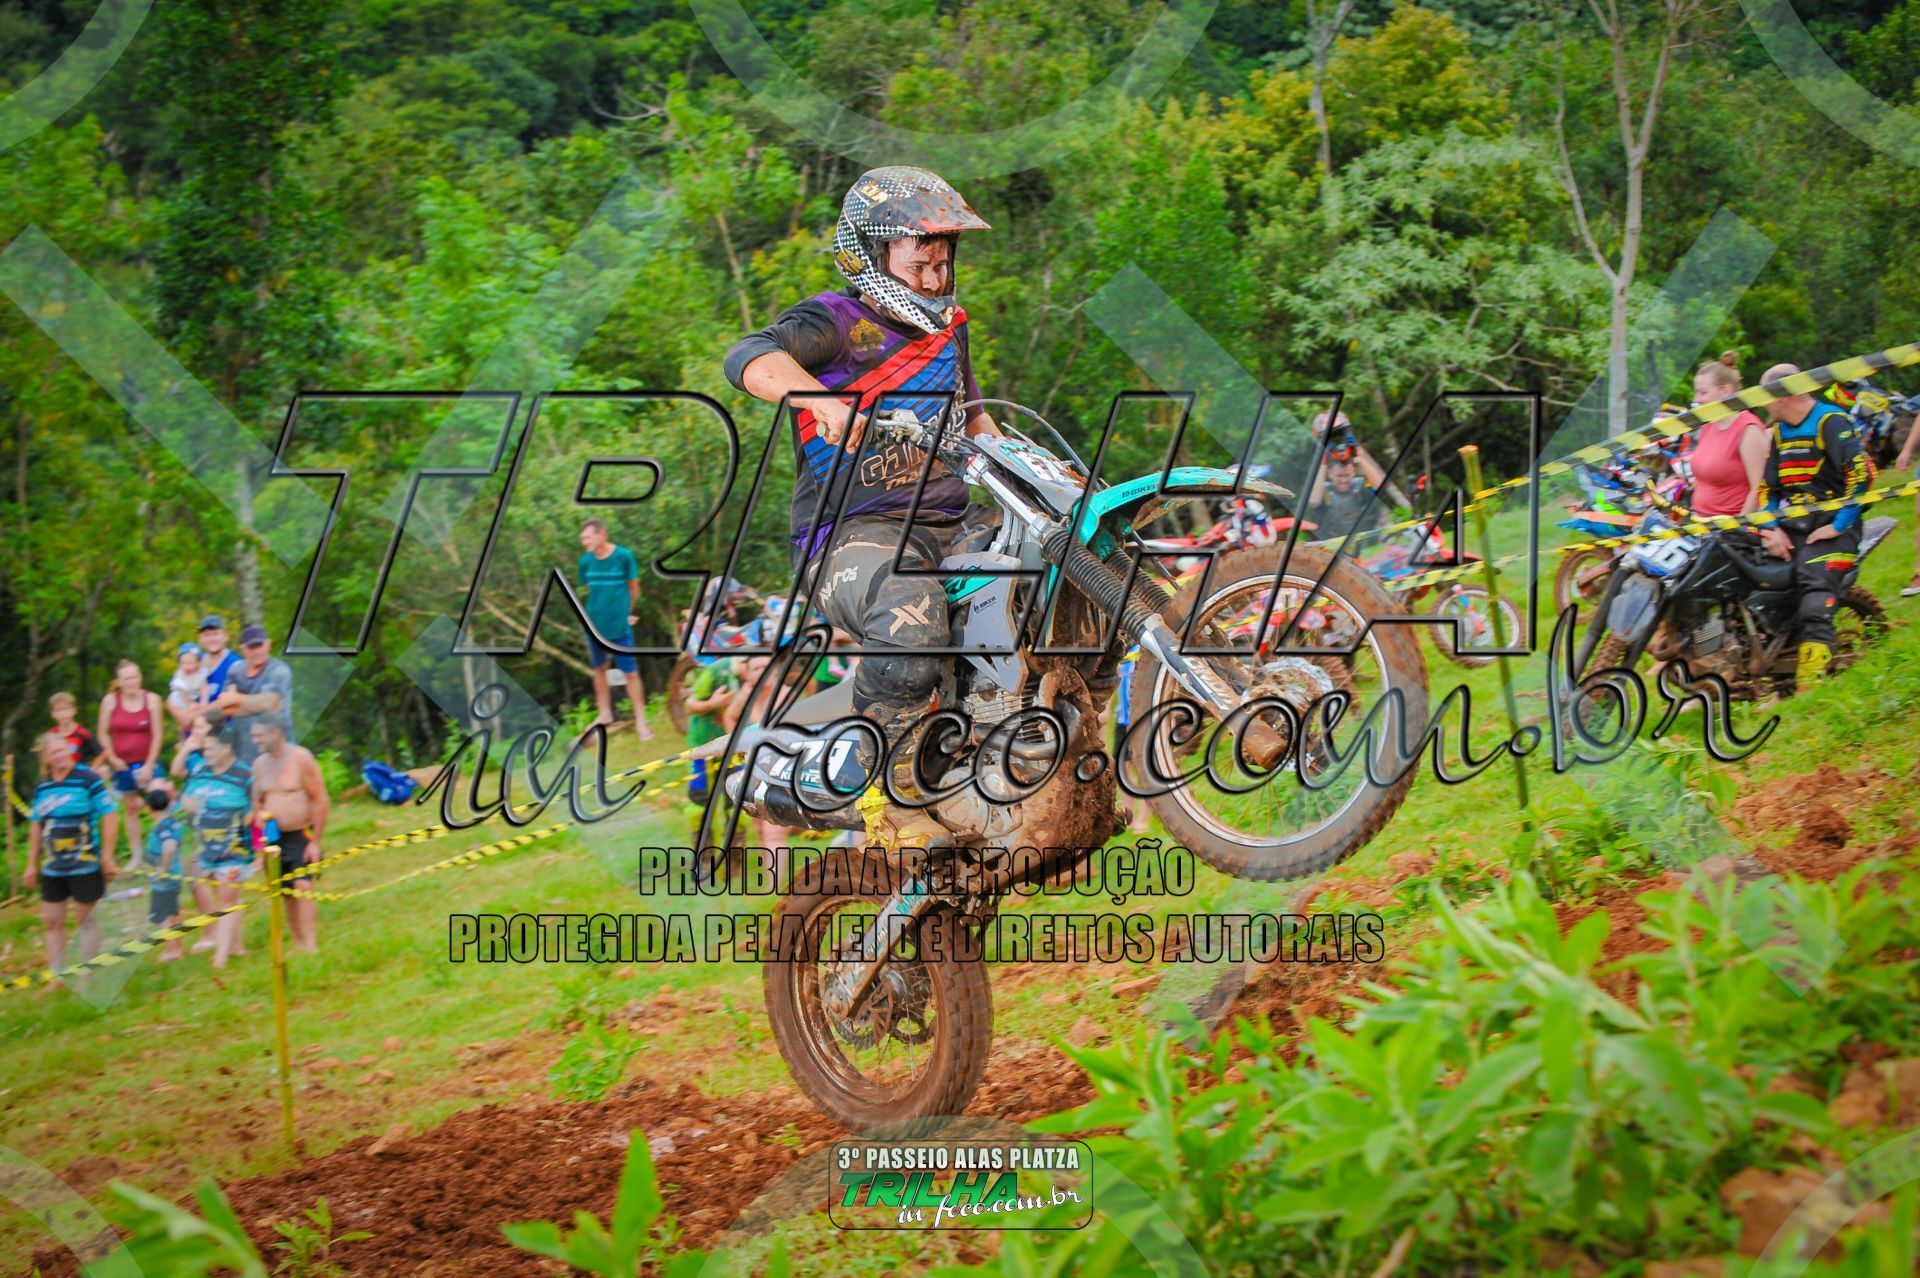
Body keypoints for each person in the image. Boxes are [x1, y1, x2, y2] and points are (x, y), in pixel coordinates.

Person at [723, 166, 1007, 851]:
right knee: (912, 613)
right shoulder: (833, 322)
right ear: (871, 256)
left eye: (942, 264)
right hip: (850, 537)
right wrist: (820, 400)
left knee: (1052, 561)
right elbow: (747, 356)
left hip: (951, 521)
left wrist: (1042, 478)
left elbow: (975, 417)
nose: (933, 281)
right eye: (918, 266)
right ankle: (859, 777)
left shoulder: (949, 328)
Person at [1752, 363, 1877, 692]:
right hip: (1792, 525)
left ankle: (1811, 690)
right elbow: (1768, 490)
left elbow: (1861, 475)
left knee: (1813, 599)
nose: (1763, 404)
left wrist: (1839, 525)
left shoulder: (1830, 421)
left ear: (1782, 396)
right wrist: (1771, 527)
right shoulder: (1778, 433)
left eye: (1766, 397)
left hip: (1831, 527)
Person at [23, 730, 119, 973]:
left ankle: (87, 975)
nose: (60, 755)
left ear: (70, 751)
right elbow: (36, 825)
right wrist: (31, 864)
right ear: (46, 758)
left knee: (86, 921)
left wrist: (107, 856)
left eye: (62, 749)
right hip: (53, 867)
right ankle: (57, 976)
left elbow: (109, 815)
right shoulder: (42, 786)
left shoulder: (88, 779)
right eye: (54, 752)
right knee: (51, 922)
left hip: (85, 864)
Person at [178, 721, 256, 969]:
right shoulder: (201, 771)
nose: (207, 752)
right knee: (228, 898)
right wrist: (194, 806)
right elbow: (185, 799)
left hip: (234, 849)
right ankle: (236, 946)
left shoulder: (245, 775)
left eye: (211, 748)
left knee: (227, 899)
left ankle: (220, 958)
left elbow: (254, 811)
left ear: (227, 747)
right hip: (206, 848)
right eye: (205, 748)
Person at [249, 713, 329, 954]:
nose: (255, 740)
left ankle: (311, 945)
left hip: (301, 833)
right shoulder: (259, 765)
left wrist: (316, 841)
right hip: (274, 837)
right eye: (254, 736)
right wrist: (260, 826)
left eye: (259, 736)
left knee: (303, 886)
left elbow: (320, 799)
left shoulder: (301, 758)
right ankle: (297, 942)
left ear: (276, 734)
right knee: (286, 893)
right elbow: (257, 802)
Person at [577, 519, 654, 741]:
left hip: (620, 627)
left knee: (630, 673)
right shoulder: (585, 561)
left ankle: (641, 720)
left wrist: (626, 612)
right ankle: (604, 714)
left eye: (587, 537)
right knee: (599, 669)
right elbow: (592, 590)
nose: (584, 543)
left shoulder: (624, 557)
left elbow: (634, 589)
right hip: (594, 626)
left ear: (601, 534)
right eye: (583, 539)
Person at [98, 659, 164, 863]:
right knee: (131, 809)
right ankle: (136, 856)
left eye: (134, 677)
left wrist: (150, 764)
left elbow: (158, 734)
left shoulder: (152, 700)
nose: (131, 682)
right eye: (126, 679)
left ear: (140, 677)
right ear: (119, 681)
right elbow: (102, 733)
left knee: (159, 802)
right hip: (122, 764)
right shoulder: (110, 701)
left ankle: (162, 850)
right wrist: (112, 758)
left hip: (148, 761)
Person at [1687, 357, 1770, 517]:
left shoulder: (1748, 428)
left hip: (1730, 525)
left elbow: (1760, 488)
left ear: (1726, 391)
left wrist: (1738, 527)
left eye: (1703, 392)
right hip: (1700, 521)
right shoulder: (1709, 424)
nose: (1696, 399)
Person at [213, 624, 292, 764]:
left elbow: (269, 703)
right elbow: (225, 708)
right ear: (243, 649)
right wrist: (260, 705)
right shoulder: (235, 671)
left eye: (259, 646)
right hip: (242, 752)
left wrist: (236, 698)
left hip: (277, 752)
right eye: (251, 647)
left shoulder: (279, 670)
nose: (257, 651)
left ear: (268, 644)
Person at [684, 656, 739, 839]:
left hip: (734, 746)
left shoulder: (762, 676)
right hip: (703, 744)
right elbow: (690, 706)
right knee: (700, 801)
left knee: (737, 799)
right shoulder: (714, 672)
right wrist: (713, 704)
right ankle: (704, 851)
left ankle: (736, 850)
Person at [140, 782, 189, 962]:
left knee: (161, 915)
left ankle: (172, 950)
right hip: (175, 874)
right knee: (173, 911)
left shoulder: (161, 827)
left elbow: (169, 846)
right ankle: (178, 947)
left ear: (148, 808)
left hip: (165, 879)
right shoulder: (173, 822)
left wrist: (163, 870)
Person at [1303, 459, 1387, 537]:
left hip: (1359, 539)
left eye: (1347, 475)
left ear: (1353, 472)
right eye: (1339, 476)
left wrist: (1359, 455)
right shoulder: (1324, 490)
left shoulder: (1359, 485)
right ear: (1330, 473)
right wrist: (1322, 463)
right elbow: (1313, 503)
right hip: (1331, 541)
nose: (1344, 480)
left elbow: (1382, 487)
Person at [46, 691, 103, 777]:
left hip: (80, 777)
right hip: (60, 778)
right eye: (58, 710)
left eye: (66, 709)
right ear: (52, 714)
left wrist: (91, 771)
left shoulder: (83, 733)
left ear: (74, 710)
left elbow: (101, 753)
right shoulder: (51, 735)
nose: (63, 714)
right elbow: (46, 759)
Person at [197, 616, 243, 703]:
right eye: (206, 635)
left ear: (225, 636)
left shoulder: (235, 665)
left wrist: (200, 711)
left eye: (215, 634)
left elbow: (231, 703)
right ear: (200, 639)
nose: (211, 639)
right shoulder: (195, 663)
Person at [166, 642, 209, 731]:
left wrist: (204, 702)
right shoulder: (180, 675)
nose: (186, 666)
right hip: (180, 699)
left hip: (193, 697)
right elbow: (181, 692)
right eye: (183, 663)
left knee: (197, 717)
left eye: (189, 663)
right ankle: (183, 733)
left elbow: (204, 688)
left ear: (198, 663)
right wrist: (190, 704)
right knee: (186, 719)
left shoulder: (200, 674)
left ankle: (194, 730)